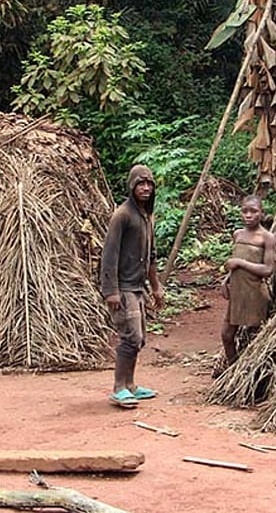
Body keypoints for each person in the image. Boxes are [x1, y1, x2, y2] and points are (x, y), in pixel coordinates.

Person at [100, 164, 165, 408]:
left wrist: (156, 287)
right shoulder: (122, 215)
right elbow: (110, 255)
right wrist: (111, 291)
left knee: (139, 339)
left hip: (138, 287)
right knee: (130, 337)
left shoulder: (146, 216)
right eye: (141, 183)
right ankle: (118, 388)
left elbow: (151, 256)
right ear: (132, 186)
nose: (146, 188)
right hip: (123, 288)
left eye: (149, 183)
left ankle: (131, 385)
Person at [216, 195, 276, 375]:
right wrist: (227, 279)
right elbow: (236, 264)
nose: (248, 215)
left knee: (255, 335)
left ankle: (255, 375)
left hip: (255, 293)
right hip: (238, 293)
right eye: (245, 211)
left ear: (261, 213)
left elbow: (268, 269)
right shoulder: (238, 234)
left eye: (253, 211)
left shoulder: (267, 238)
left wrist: (240, 264)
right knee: (227, 335)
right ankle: (234, 371)